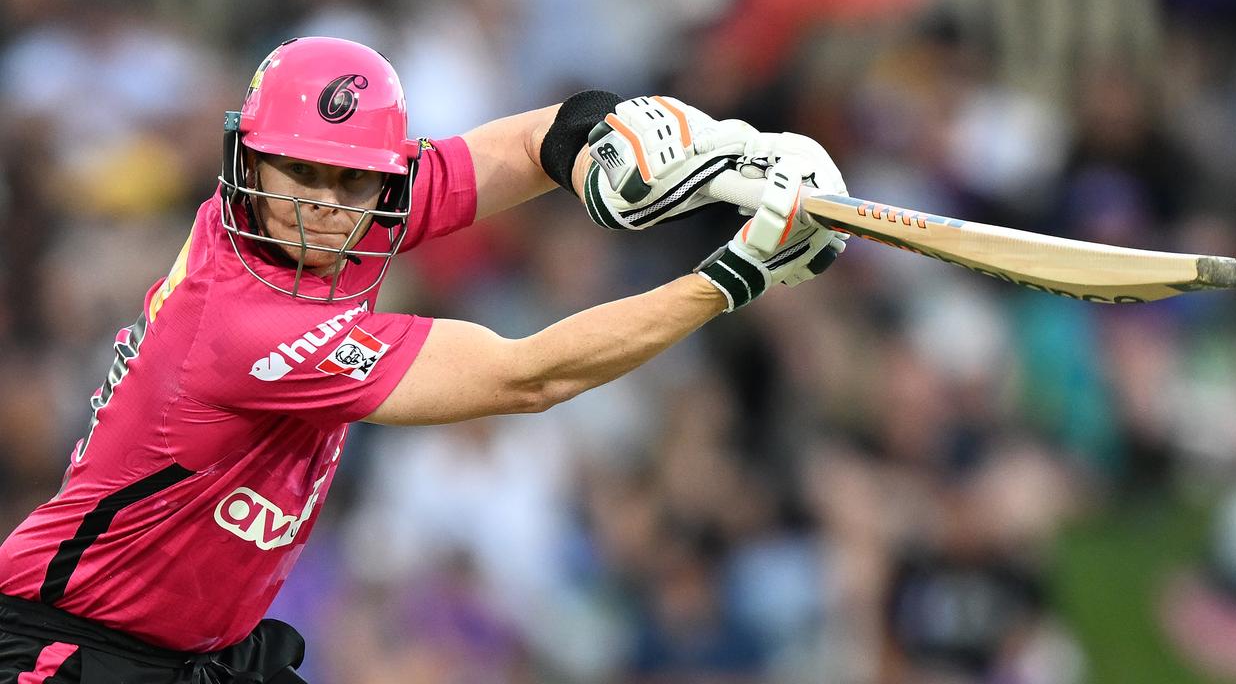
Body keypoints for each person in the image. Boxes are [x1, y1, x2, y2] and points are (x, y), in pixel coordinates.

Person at [0, 36, 848, 683]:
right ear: (245, 160)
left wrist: (632, 145)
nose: (325, 210)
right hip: (68, 652)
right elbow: (529, 377)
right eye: (299, 173)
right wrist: (732, 273)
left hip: (197, 652)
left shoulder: (326, 216)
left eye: (351, 181)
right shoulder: (241, 329)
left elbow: (525, 147)